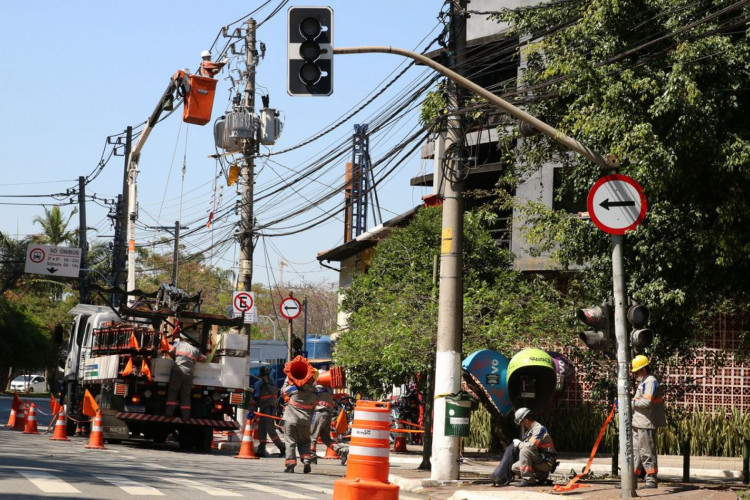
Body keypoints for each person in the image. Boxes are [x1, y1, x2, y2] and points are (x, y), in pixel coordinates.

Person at [631, 355, 666, 489]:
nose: (635, 374)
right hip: (638, 422)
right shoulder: (644, 381)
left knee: (646, 451)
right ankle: (631, 479)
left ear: (643, 369)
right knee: (636, 452)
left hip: (646, 423)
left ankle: (651, 480)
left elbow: (647, 402)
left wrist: (630, 403)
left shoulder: (650, 381)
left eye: (636, 372)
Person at [164, 325, 206, 420]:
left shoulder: (178, 344)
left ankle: (169, 414)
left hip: (178, 372)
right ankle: (186, 416)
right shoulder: (196, 350)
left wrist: (175, 358)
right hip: (189, 374)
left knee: (173, 392)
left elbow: (170, 352)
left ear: (183, 338)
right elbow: (204, 359)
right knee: (185, 395)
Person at [281, 369, 318, 473]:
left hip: (290, 419)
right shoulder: (315, 391)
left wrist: (287, 379)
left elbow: (283, 391)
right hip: (305, 421)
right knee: (305, 442)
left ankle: (290, 465)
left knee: (290, 442)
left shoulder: (294, 389)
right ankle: (306, 460)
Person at [511, 407, 558, 487]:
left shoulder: (539, 429)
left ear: (526, 421)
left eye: (521, 423)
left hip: (546, 461)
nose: (521, 425)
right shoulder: (530, 431)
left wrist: (519, 444)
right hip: (539, 459)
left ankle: (528, 480)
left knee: (524, 451)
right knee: (515, 467)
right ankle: (541, 476)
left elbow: (531, 446)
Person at [252, 366, 285, 457]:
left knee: (270, 430)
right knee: (262, 429)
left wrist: (253, 407)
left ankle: (282, 447)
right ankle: (261, 450)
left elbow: (256, 396)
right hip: (268, 408)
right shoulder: (273, 383)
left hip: (268, 408)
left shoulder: (259, 383)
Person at [309, 381, 338, 463]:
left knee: (312, 436)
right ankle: (340, 450)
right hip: (327, 414)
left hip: (319, 413)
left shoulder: (318, 388)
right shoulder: (328, 389)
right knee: (326, 439)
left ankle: (312, 456)